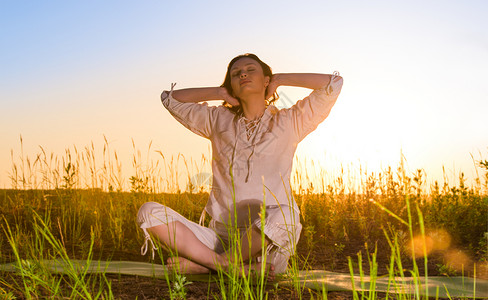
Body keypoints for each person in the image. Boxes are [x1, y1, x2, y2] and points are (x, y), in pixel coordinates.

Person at [137, 53, 343, 279]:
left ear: (266, 80)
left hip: (267, 240)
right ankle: (227, 266)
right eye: (235, 74)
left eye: (251, 69)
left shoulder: (290, 121)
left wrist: (279, 78)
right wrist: (219, 92)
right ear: (232, 87)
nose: (243, 73)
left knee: (286, 215)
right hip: (220, 238)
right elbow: (170, 98)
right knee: (148, 212)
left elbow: (332, 83)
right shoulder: (217, 120)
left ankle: (211, 265)